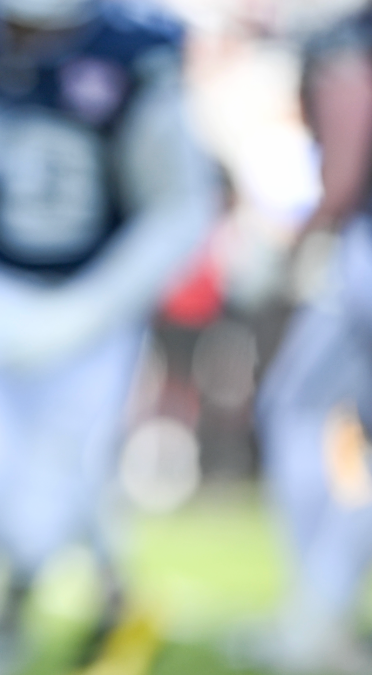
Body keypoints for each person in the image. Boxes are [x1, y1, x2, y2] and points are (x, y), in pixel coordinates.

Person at [0, 0, 214, 671]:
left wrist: (87, 312)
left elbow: (180, 205)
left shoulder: (130, 55)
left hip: (83, 289)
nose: (20, 38)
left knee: (36, 528)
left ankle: (14, 604)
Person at [254, 5, 372, 672]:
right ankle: (320, 609)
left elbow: (343, 175)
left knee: (294, 410)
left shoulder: (347, 41)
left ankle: (319, 607)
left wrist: (290, 250)